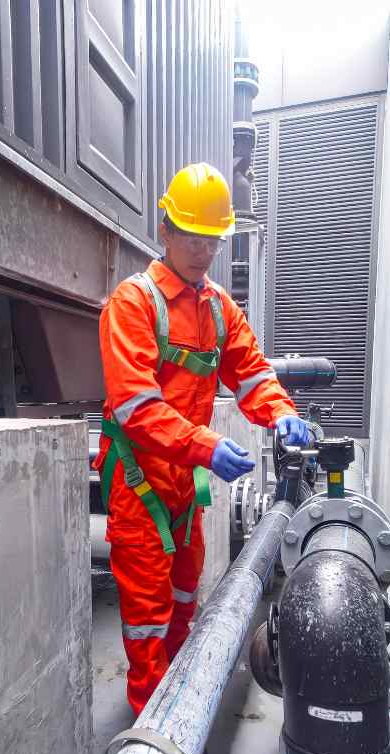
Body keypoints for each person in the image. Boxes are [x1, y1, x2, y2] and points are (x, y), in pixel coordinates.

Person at [94, 162, 312, 716]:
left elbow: (253, 373)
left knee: (185, 597)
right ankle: (151, 734)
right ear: (164, 229)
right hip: (140, 484)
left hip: (184, 487)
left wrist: (280, 411)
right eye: (192, 236)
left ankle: (178, 698)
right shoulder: (134, 303)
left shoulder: (218, 308)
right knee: (147, 616)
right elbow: (136, 407)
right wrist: (206, 448)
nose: (203, 251)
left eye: (213, 240)